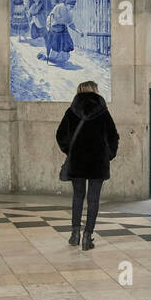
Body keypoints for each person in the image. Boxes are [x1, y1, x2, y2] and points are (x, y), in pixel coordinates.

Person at [56, 81, 119, 251]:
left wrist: (69, 150)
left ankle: (74, 234)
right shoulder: (103, 112)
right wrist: (108, 155)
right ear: (95, 91)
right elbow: (113, 136)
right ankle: (87, 236)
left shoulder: (71, 112)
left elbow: (60, 135)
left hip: (77, 161)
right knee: (93, 199)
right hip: (98, 162)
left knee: (78, 196)